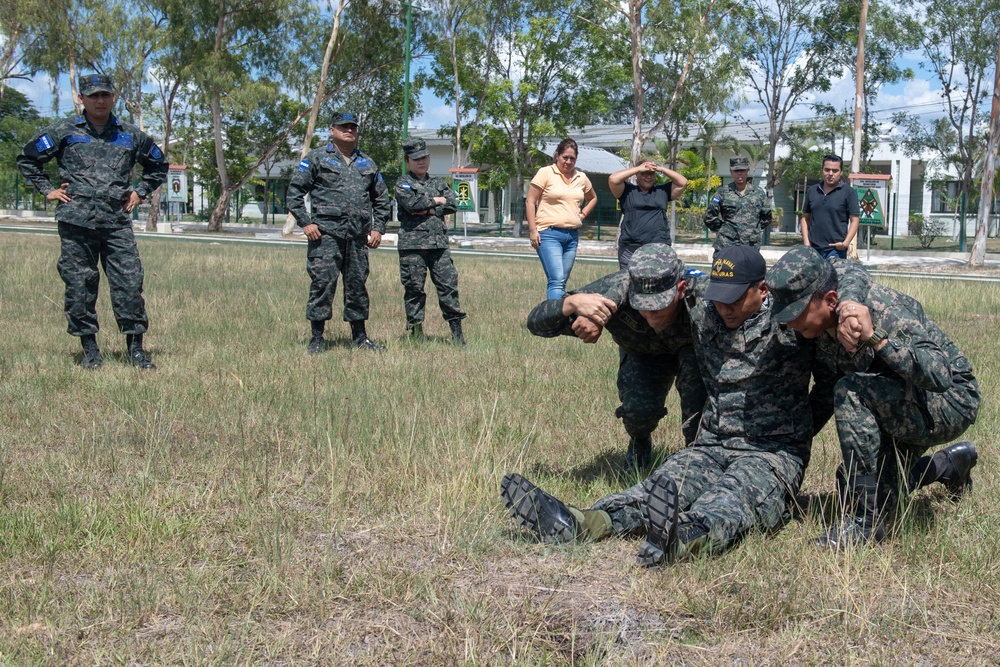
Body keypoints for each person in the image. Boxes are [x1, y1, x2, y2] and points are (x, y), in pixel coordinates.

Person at [504, 245, 837, 566]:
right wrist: (578, 307)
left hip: (769, 453)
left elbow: (842, 277)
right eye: (720, 300)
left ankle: (688, 535)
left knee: (735, 495)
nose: (725, 308)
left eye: (735, 300)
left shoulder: (795, 321)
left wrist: (800, 433)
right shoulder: (703, 305)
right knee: (661, 486)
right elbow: (651, 283)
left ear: (762, 290)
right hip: (710, 447)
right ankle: (586, 522)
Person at [766, 246, 980, 547]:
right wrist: (789, 440)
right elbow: (826, 389)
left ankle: (866, 525)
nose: (790, 324)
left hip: (950, 400)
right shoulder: (825, 321)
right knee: (860, 486)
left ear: (829, 301)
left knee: (851, 391)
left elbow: (940, 375)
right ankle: (951, 465)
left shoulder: (883, 308)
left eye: (796, 314)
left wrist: (876, 339)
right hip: (898, 399)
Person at [16, 73, 168, 370]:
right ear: (81, 99)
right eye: (94, 95)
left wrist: (141, 191)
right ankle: (89, 350)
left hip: (116, 224)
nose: (100, 100)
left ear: (113, 98)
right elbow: (27, 158)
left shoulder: (129, 135)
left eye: (105, 95)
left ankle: (136, 349)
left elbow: (158, 164)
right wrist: (47, 189)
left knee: (129, 284)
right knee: (80, 285)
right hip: (76, 223)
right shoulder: (64, 131)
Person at [526, 244, 706, 472]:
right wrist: (571, 303)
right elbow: (535, 324)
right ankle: (640, 443)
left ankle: (698, 460)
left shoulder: (702, 292)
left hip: (691, 351)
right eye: (642, 307)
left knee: (698, 412)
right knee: (638, 413)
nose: (651, 316)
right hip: (644, 354)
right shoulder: (610, 292)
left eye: (658, 307)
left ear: (680, 290)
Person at [286, 111, 390, 353]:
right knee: (323, 284)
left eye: (352, 126)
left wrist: (378, 227)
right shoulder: (316, 159)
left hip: (357, 237)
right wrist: (306, 222)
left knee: (357, 286)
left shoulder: (367, 163)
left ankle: (360, 338)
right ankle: (317, 339)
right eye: (343, 126)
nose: (349, 130)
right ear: (331, 130)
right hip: (326, 236)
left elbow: (381, 199)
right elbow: (294, 193)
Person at [394, 138, 467, 346]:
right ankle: (416, 333)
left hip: (439, 246)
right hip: (412, 246)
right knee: (414, 289)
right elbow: (411, 204)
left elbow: (452, 204)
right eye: (416, 159)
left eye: (424, 158)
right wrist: (436, 202)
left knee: (448, 287)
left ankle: (458, 336)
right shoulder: (403, 183)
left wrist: (426, 208)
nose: (421, 162)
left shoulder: (439, 182)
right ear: (408, 161)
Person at [525, 138, 598, 299]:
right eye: (565, 157)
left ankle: (554, 318)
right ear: (557, 155)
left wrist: (582, 214)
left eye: (572, 158)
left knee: (561, 282)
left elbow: (593, 198)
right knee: (556, 280)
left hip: (571, 237)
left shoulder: (581, 177)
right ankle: (555, 322)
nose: (568, 161)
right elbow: (530, 201)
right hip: (548, 234)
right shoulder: (546, 173)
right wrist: (532, 230)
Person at [608, 160, 688, 269]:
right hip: (631, 247)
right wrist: (637, 168)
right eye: (644, 173)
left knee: (659, 283)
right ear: (636, 175)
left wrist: (661, 169)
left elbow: (682, 182)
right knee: (628, 282)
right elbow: (613, 179)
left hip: (659, 247)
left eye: (651, 174)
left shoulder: (662, 190)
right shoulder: (627, 191)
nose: (648, 177)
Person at [703, 155, 772, 255]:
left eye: (742, 170)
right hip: (727, 244)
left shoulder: (759, 193)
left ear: (747, 171)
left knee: (750, 270)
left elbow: (767, 217)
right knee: (723, 270)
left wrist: (752, 230)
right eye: (736, 171)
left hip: (750, 245)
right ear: (731, 172)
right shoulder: (722, 192)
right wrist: (725, 230)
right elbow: (709, 217)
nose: (739, 173)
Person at [800, 154, 860, 260]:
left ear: (841, 172)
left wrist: (845, 243)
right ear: (822, 170)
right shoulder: (813, 191)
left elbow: (854, 220)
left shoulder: (849, 192)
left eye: (835, 170)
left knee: (833, 277)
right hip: (813, 250)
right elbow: (805, 218)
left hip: (835, 250)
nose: (830, 174)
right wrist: (806, 243)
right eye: (827, 170)